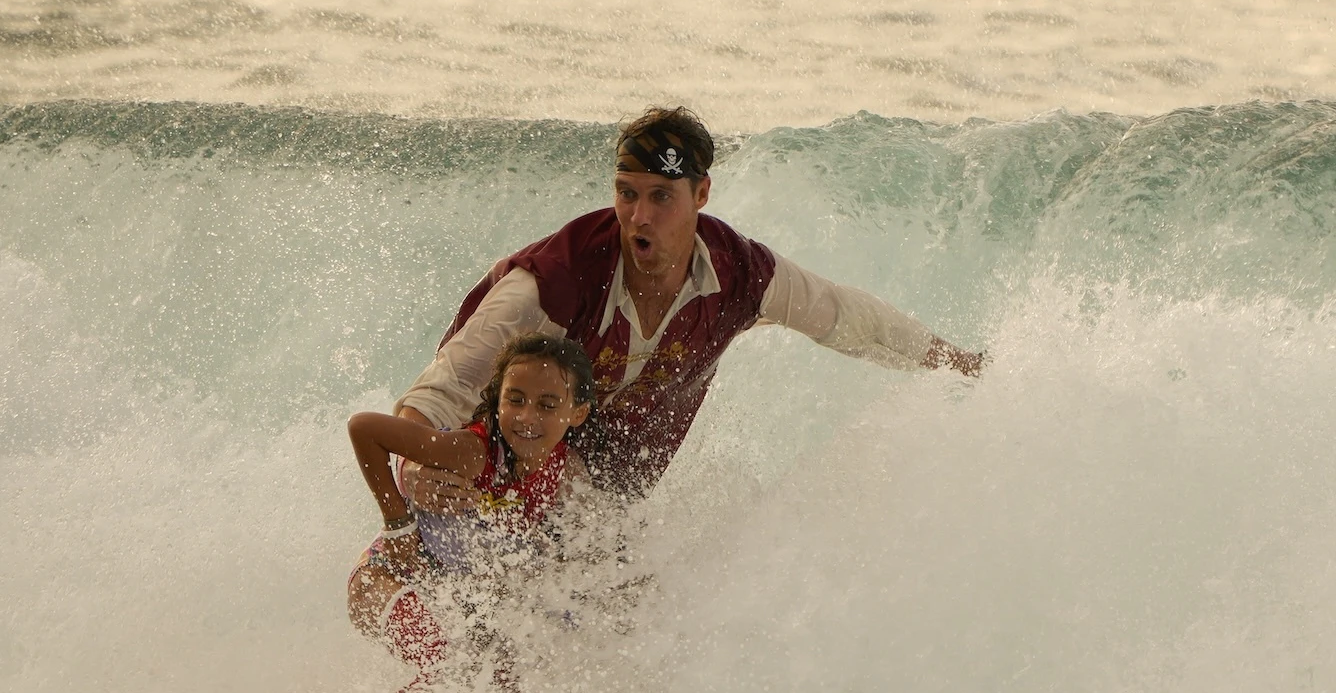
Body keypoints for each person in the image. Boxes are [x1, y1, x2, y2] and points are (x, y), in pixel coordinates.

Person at [394, 106, 985, 512]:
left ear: (701, 195)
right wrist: (417, 474)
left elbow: (845, 318)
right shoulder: (552, 283)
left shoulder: (741, 275)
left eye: (661, 197)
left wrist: (957, 364)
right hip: (494, 481)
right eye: (627, 194)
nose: (640, 217)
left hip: (605, 506)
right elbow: (435, 396)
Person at [348, 333, 595, 693]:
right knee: (445, 668)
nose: (527, 417)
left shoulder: (566, 475)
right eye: (515, 401)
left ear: (576, 413)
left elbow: (588, 557)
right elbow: (364, 428)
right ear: (497, 402)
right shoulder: (472, 452)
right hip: (383, 580)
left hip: (457, 609)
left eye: (547, 405)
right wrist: (398, 525)